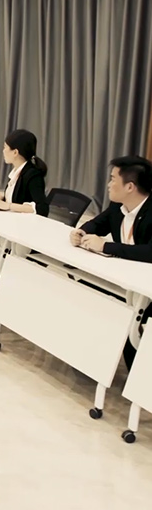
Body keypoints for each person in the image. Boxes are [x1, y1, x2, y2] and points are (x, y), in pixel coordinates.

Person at [70, 156, 152, 370]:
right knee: (85, 289)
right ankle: (92, 357)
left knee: (126, 314)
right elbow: (97, 224)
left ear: (130, 187)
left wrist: (106, 246)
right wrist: (81, 232)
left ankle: (136, 374)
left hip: (146, 287)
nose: (108, 184)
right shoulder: (118, 206)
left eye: (113, 179)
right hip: (123, 278)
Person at [0, 130, 50, 216]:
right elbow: (19, 198)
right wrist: (4, 197)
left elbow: (42, 209)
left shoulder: (33, 175)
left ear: (15, 152)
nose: (3, 151)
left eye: (5, 147)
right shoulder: (17, 171)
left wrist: (8, 205)